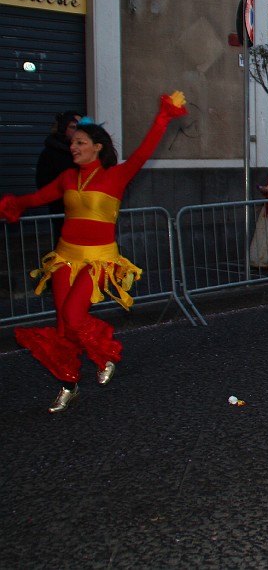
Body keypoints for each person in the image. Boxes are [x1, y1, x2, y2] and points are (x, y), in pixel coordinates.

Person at [0, 92, 188, 412]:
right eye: (72, 142)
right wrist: (13, 205)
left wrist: (164, 117)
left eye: (80, 142)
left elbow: (143, 153)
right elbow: (37, 197)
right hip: (64, 257)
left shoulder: (116, 176)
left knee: (75, 316)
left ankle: (105, 357)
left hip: (99, 258)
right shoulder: (67, 178)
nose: (73, 147)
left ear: (97, 147)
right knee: (63, 325)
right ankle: (69, 383)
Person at [35, 110, 82, 236]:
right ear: (63, 128)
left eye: (80, 127)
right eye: (73, 127)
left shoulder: (85, 152)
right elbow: (43, 182)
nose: (77, 131)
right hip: (61, 209)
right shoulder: (50, 153)